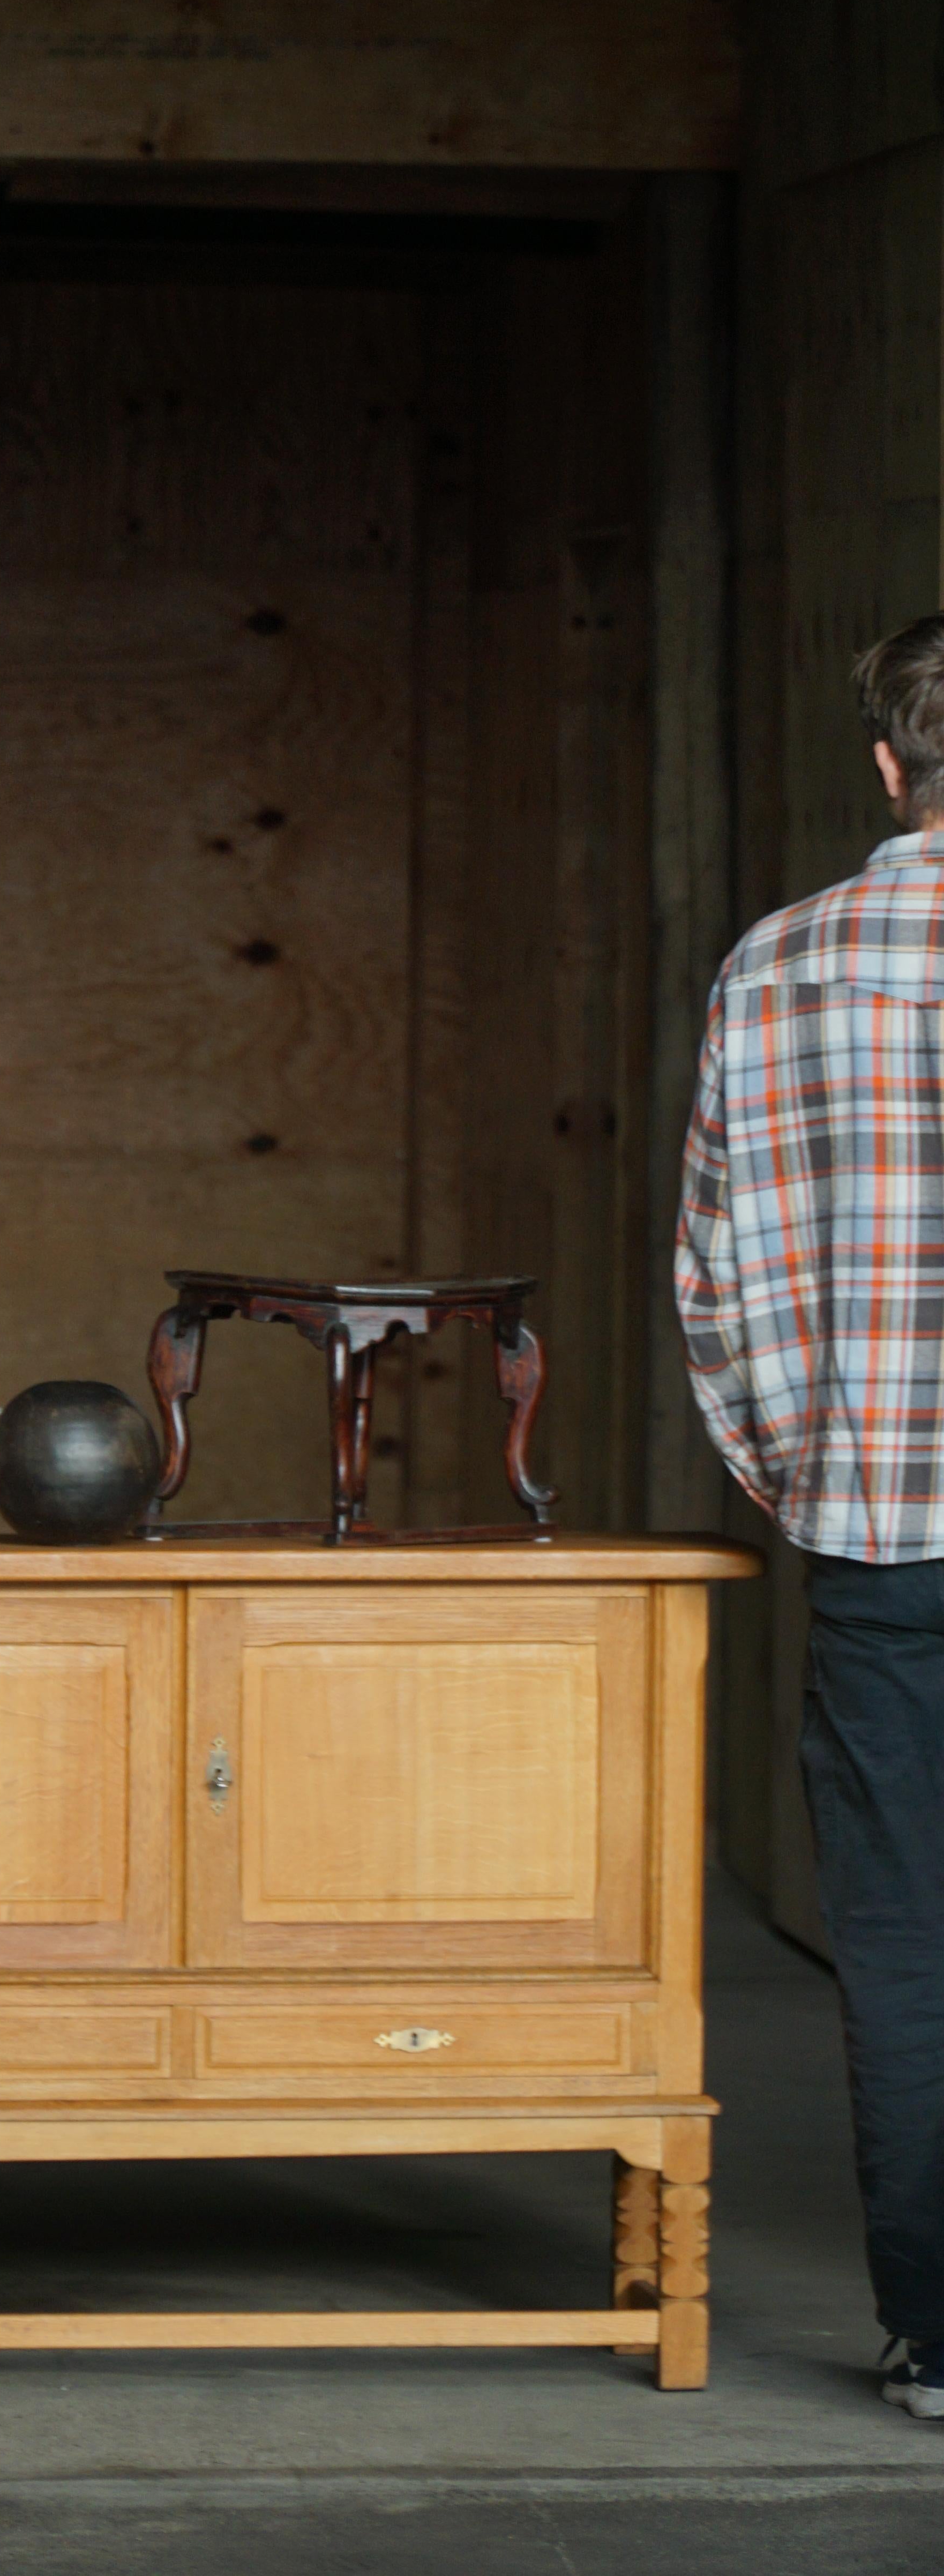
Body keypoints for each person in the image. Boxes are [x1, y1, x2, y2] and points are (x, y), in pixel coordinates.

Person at [678, 611, 944, 2421]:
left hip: (880, 1526)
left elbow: (718, 1282)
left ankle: (940, 2336)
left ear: (888, 765)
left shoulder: (776, 965)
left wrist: (811, 1473)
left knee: (909, 1941)